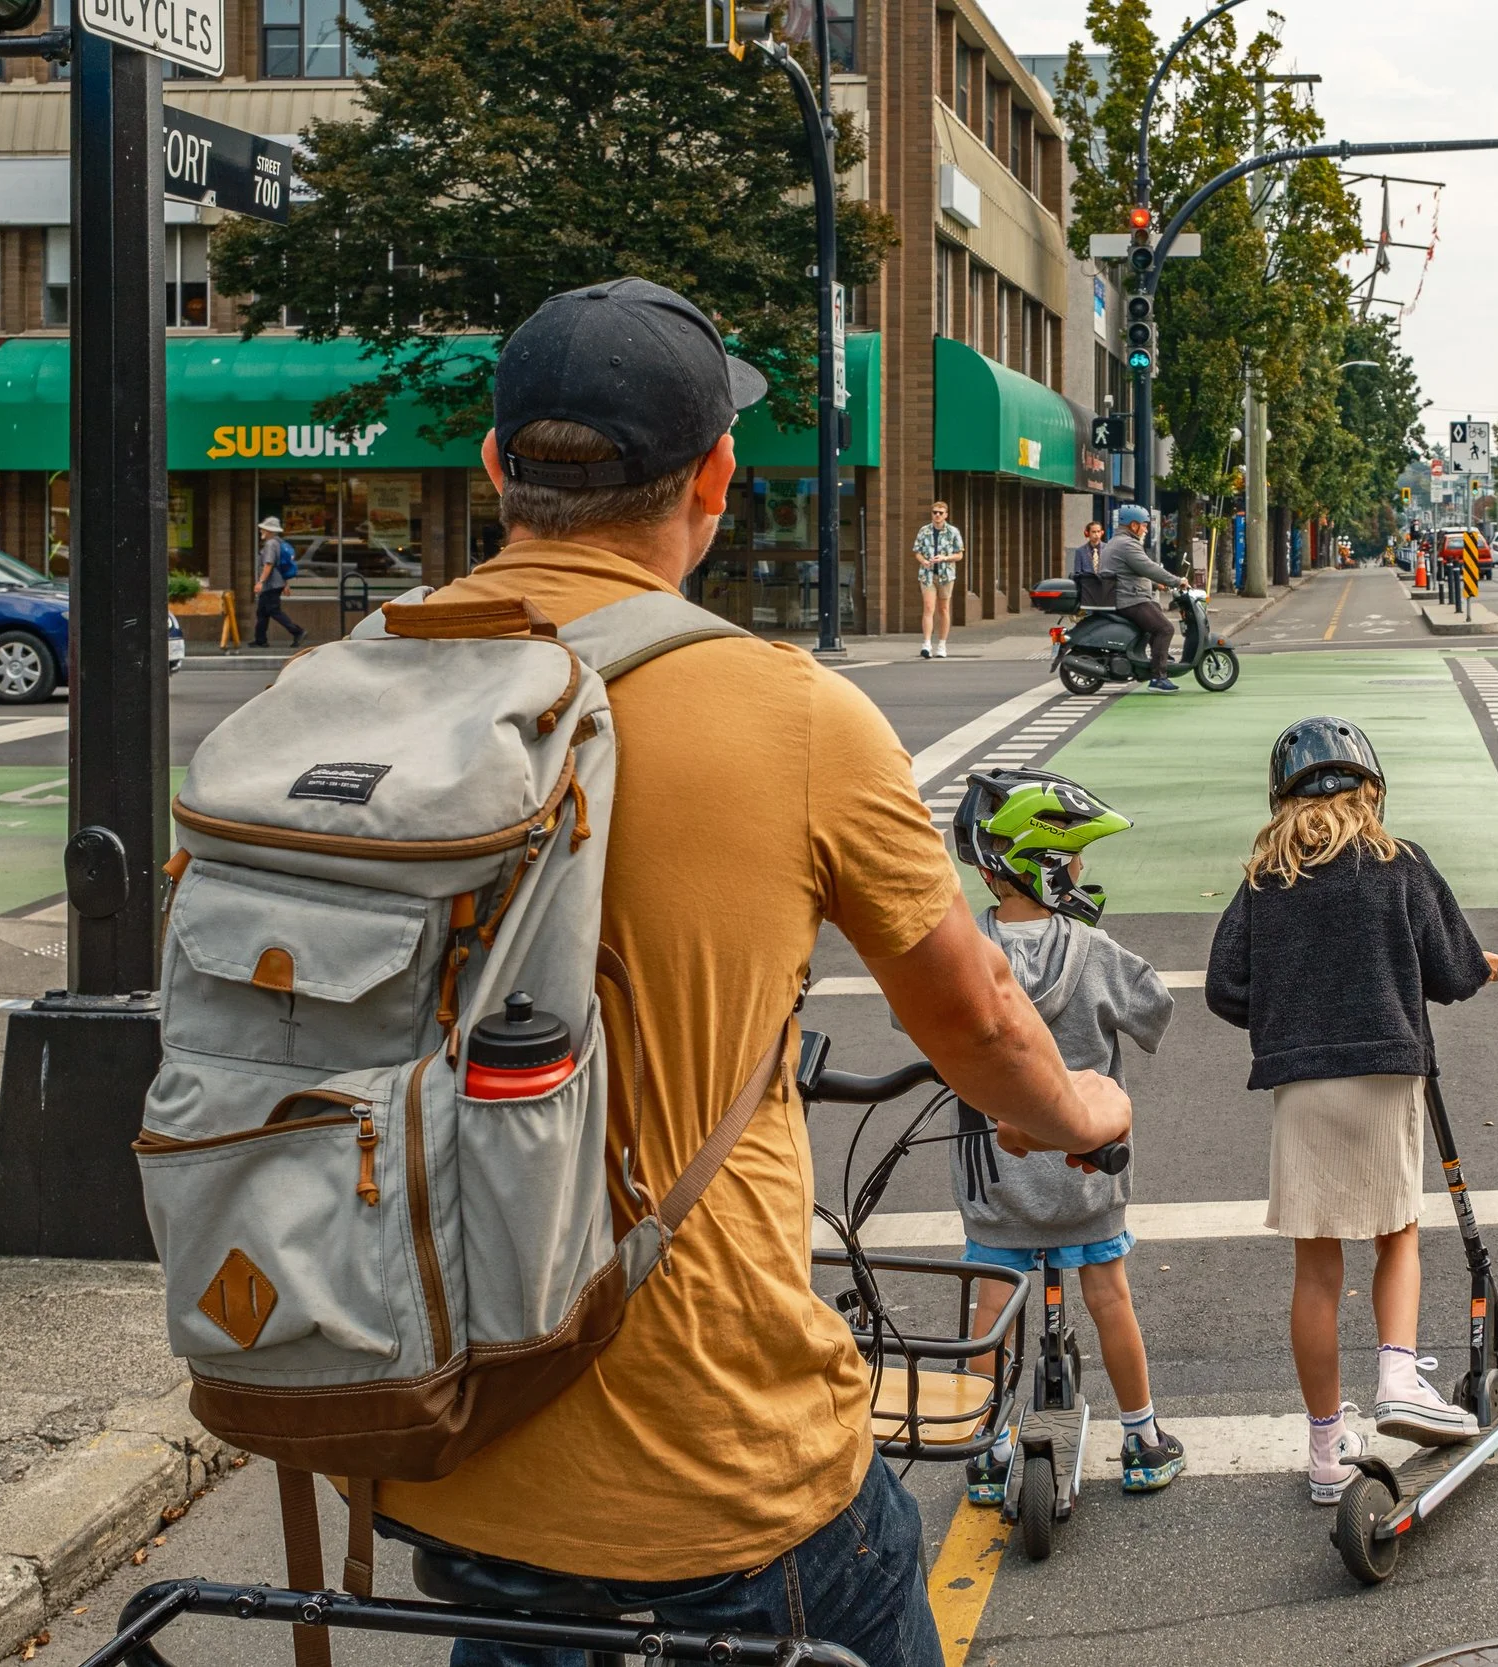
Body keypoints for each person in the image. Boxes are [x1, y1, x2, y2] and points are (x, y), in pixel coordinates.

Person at [361, 277, 1131, 1667]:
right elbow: (979, 1020)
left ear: (496, 468)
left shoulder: (369, 676)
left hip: (434, 1444)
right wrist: (1081, 1111)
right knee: (869, 1570)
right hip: (718, 1477)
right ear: (716, 476)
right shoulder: (793, 713)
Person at [1203, 718, 1498, 1504]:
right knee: (1397, 1231)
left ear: (1283, 800)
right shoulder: (1400, 864)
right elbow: (1450, 967)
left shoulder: (1266, 880)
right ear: (1370, 789)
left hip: (1300, 1084)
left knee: (1316, 1266)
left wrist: (1289, 1016)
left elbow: (1224, 986)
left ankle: (1325, 1448)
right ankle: (1400, 1375)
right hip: (1384, 1073)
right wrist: (1481, 968)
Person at [939, 768, 1183, 1504]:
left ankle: (985, 1445)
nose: (1082, 874)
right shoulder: (1098, 953)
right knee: (1109, 1295)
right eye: (1076, 860)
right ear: (1046, 865)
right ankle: (1141, 1439)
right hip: (1085, 1176)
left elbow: (915, 1019)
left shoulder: (964, 953)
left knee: (991, 1309)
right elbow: (1155, 1013)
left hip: (996, 1185)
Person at [1098, 505, 1183, 694]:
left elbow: (1129, 573)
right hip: (1130, 599)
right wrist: (1177, 581)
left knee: (1155, 614)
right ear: (1134, 525)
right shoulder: (1128, 545)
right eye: (1144, 525)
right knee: (1165, 628)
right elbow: (1148, 568)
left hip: (1127, 595)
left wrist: (1155, 585)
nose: (1145, 529)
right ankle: (1158, 678)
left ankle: (1161, 658)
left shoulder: (1116, 541)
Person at [912, 500, 963, 659]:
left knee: (943, 609)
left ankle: (942, 644)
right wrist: (923, 561)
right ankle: (926, 644)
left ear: (946, 515)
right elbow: (917, 551)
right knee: (928, 607)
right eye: (935, 512)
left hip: (946, 575)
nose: (937, 515)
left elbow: (960, 554)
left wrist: (945, 558)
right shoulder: (924, 531)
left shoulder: (953, 532)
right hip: (927, 575)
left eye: (941, 513)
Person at [251, 515, 305, 649]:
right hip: (276, 583)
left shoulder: (270, 544)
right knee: (262, 611)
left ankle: (297, 631)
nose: (261, 531)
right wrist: (285, 583)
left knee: (273, 610)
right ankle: (260, 639)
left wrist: (260, 582)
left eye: (263, 529)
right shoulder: (279, 542)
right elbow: (282, 565)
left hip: (271, 584)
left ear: (269, 531)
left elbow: (269, 564)